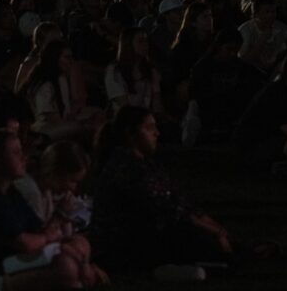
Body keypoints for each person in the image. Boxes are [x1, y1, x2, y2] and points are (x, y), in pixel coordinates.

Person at [90, 106, 236, 279]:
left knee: (210, 241)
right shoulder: (125, 167)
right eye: (150, 128)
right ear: (131, 133)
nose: (157, 133)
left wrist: (217, 228)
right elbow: (166, 210)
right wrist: (213, 231)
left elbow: (180, 202)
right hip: (127, 244)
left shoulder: (147, 164)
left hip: (149, 235)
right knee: (199, 240)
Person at [0, 128, 100, 289]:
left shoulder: (11, 193)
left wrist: (62, 240)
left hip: (9, 263)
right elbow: (25, 243)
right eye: (16, 152)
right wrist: (54, 239)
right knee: (65, 266)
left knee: (78, 243)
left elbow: (39, 230)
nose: (23, 157)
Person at [105, 27, 162, 114]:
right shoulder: (115, 70)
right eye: (140, 41)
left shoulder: (149, 69)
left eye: (146, 41)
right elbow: (123, 106)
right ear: (128, 44)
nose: (146, 44)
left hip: (145, 118)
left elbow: (156, 100)